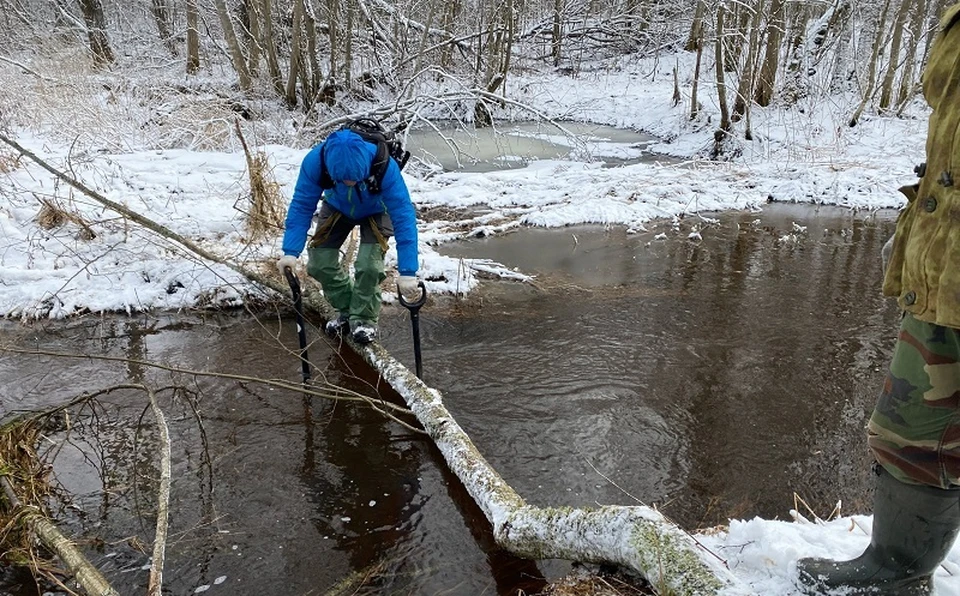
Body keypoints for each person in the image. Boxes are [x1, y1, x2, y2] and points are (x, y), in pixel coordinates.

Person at [796, 4, 960, 595]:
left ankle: (897, 573)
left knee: (915, 434)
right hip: (946, 270)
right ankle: (899, 568)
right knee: (916, 434)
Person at [277, 127, 421, 344]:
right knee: (319, 263)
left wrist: (408, 271)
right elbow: (301, 206)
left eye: (355, 179)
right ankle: (347, 311)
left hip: (378, 209)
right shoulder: (315, 163)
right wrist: (290, 251)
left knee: (369, 266)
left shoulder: (384, 166)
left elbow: (403, 216)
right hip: (337, 206)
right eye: (343, 180)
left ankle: (363, 320)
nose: (350, 184)